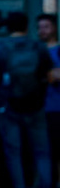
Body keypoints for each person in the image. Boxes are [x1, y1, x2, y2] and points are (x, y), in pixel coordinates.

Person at [0, 12, 54, 188]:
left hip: (10, 106)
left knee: (13, 151)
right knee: (42, 151)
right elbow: (50, 76)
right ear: (27, 26)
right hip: (36, 106)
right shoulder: (38, 47)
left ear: (7, 27)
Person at [42, 14, 60, 171]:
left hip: (56, 106)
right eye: (39, 27)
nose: (42, 31)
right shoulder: (34, 49)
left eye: (46, 27)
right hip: (39, 108)